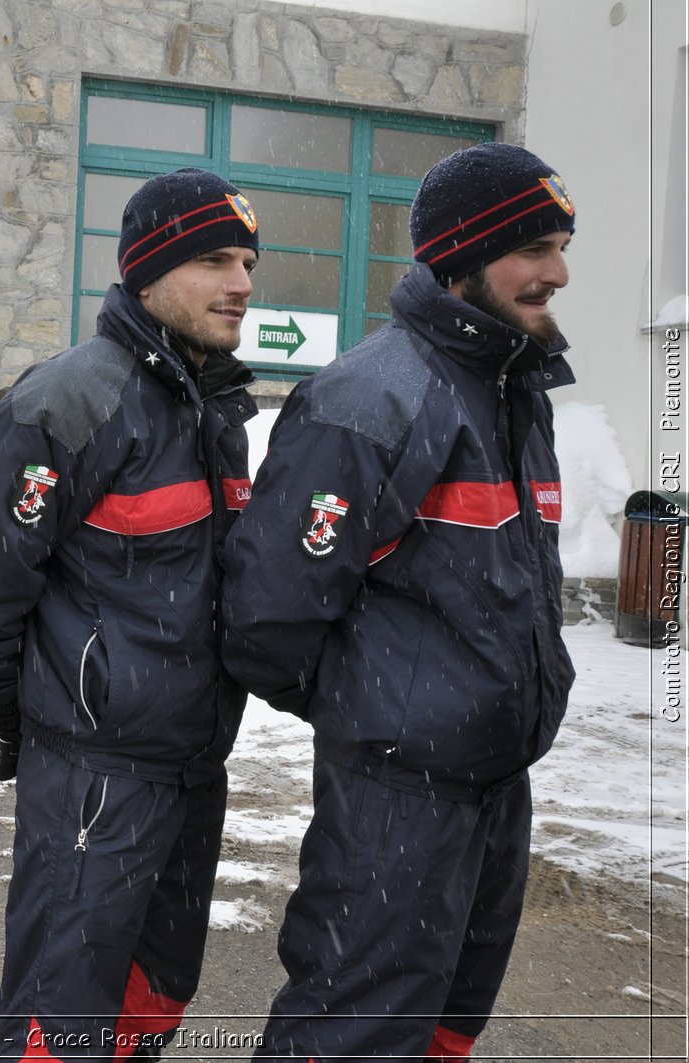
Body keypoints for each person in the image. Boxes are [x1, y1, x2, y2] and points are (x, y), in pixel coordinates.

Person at [221, 143, 577, 1062]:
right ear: (463, 257)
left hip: (496, 787)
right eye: (534, 247)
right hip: (399, 799)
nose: (558, 272)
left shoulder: (513, 391)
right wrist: (388, 715)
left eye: (563, 244)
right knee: (352, 1036)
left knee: (445, 1030)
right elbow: (268, 616)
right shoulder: (370, 398)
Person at [0, 169, 260, 1060]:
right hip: (94, 776)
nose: (243, 282)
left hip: (193, 768)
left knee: (151, 1001)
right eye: (216, 260)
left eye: (248, 261)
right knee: (59, 1019)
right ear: (149, 272)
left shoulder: (216, 405)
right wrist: (33, 714)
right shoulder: (69, 400)